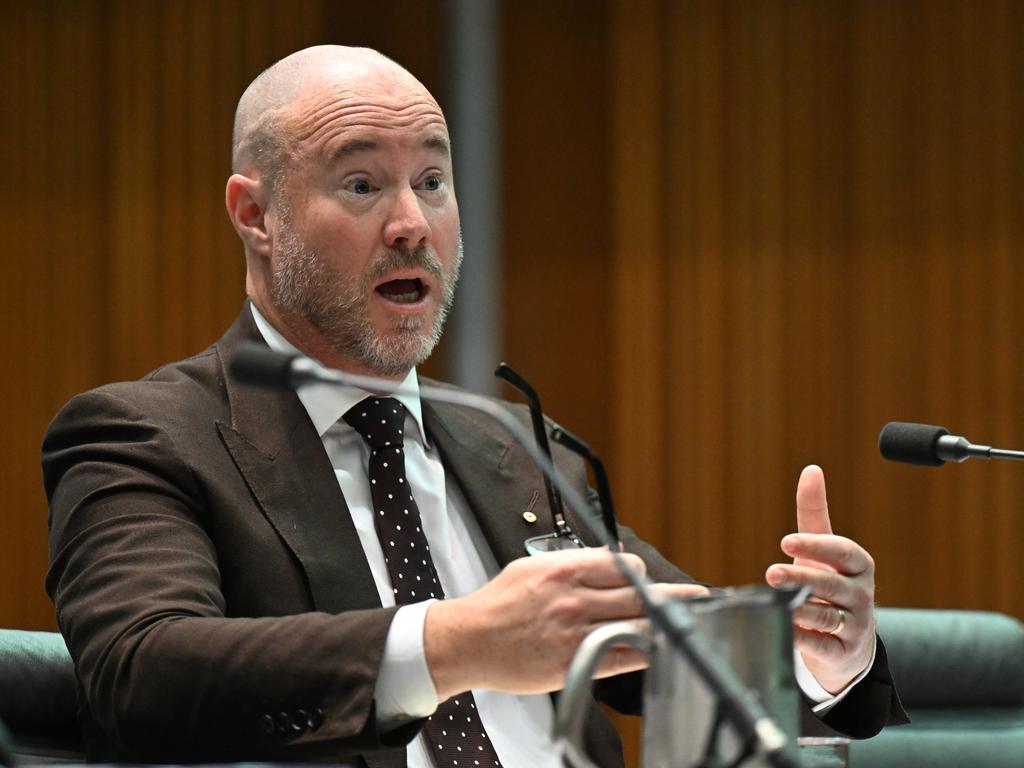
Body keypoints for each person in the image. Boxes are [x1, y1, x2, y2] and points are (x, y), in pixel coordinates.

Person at [42, 45, 904, 768]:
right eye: (361, 186)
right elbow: (137, 676)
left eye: (432, 180)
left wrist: (824, 651)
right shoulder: (149, 435)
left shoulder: (510, 443)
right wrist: (454, 644)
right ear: (256, 214)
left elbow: (677, 656)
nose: (412, 224)